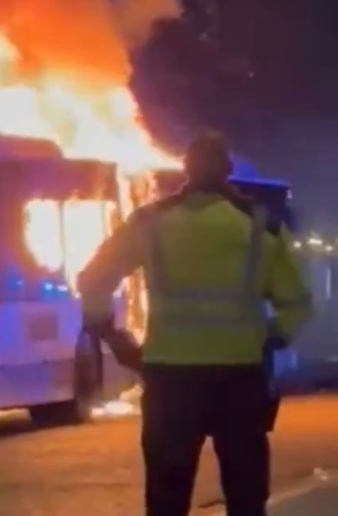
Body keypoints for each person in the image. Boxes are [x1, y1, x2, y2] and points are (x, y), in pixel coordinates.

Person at [76, 131, 313, 516]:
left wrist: (111, 335)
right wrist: (270, 338)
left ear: (186, 168)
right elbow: (298, 303)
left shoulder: (150, 222)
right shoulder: (260, 227)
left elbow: (93, 279)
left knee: (167, 498)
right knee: (247, 496)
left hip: (170, 380)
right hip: (240, 379)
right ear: (228, 170)